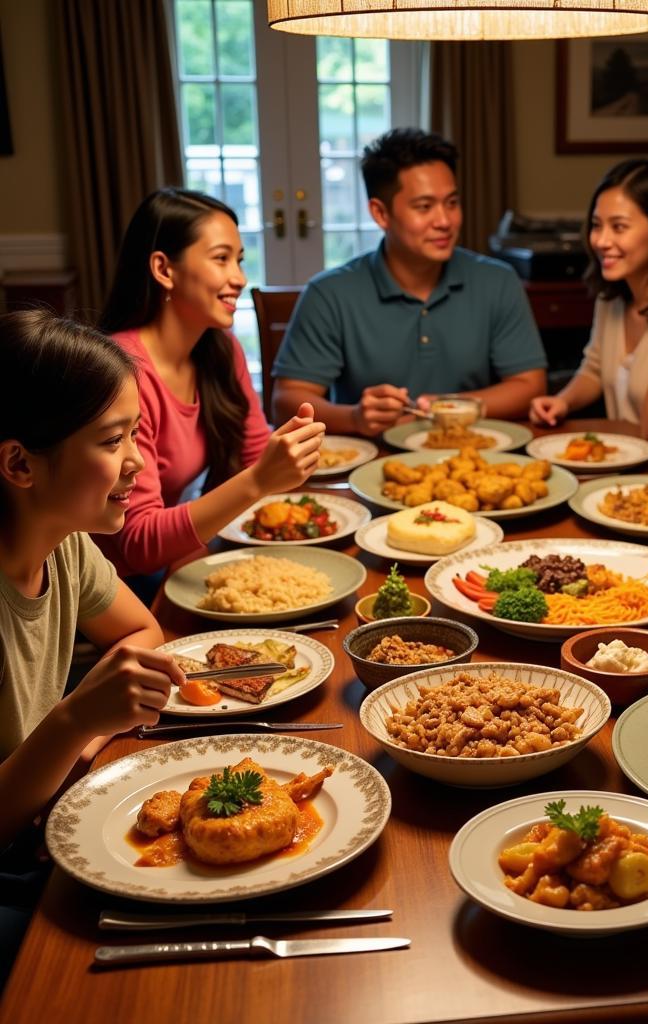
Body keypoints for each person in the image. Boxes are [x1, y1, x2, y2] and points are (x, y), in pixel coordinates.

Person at [0, 310, 183, 979]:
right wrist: (76, 718)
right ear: (20, 463)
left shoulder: (67, 546)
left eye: (136, 432)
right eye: (112, 441)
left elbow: (143, 631)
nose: (140, 462)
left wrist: (79, 744)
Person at [97, 189, 325, 581]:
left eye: (238, 260)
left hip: (178, 559)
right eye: (221, 259)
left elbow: (255, 454)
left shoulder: (220, 349)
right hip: (114, 584)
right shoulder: (122, 371)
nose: (239, 278)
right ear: (163, 269)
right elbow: (137, 543)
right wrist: (259, 480)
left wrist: (287, 458)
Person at [271, 128, 548, 435]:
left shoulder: (497, 281)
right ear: (380, 213)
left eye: (452, 203)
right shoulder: (329, 293)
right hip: (368, 465)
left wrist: (448, 407)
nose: (445, 221)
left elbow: (530, 384)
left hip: (474, 457)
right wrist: (355, 417)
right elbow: (286, 400)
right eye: (424, 207)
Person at [528, 159, 648, 442]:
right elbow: (594, 369)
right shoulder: (611, 299)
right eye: (596, 225)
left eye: (619, 227)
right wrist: (562, 401)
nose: (601, 240)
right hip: (620, 460)